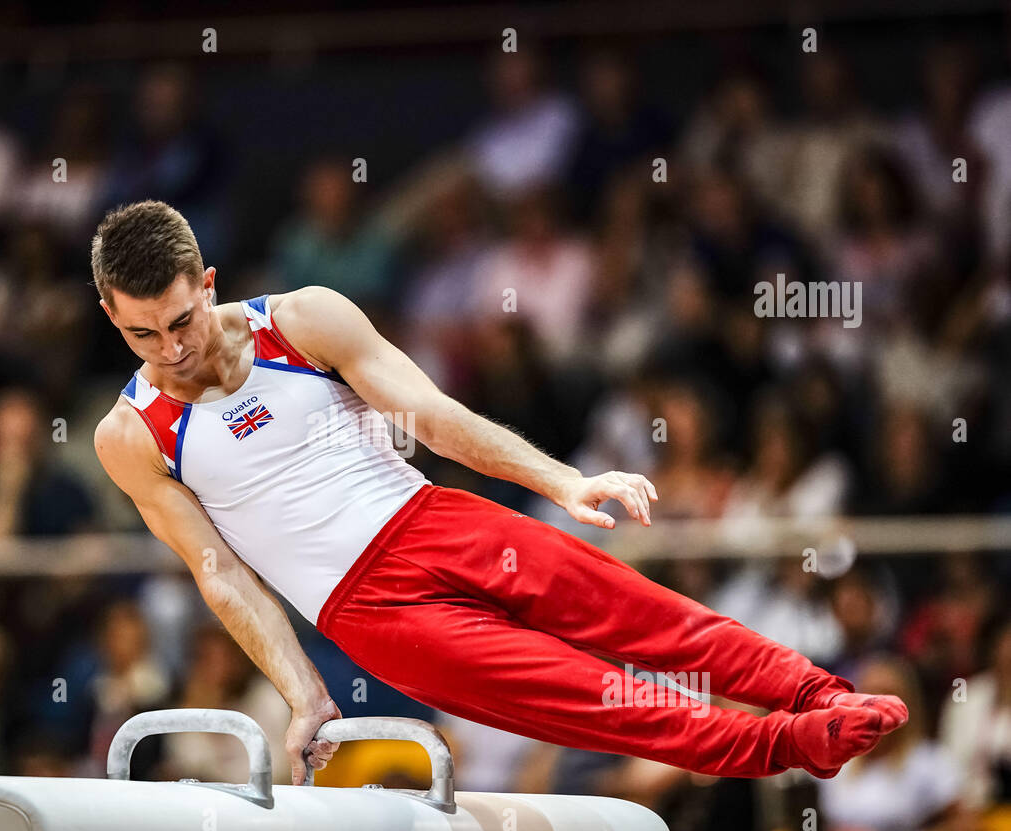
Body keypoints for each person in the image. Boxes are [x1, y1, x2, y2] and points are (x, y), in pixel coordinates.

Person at [91, 200, 909, 786]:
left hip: (438, 521)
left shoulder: (302, 320)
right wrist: (303, 692)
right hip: (374, 616)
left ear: (205, 282)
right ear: (109, 315)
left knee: (653, 619)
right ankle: (792, 745)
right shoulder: (131, 436)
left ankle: (821, 692)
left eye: (179, 321)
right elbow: (222, 575)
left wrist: (564, 480)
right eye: (141, 334)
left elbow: (437, 420)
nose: (169, 348)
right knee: (598, 701)